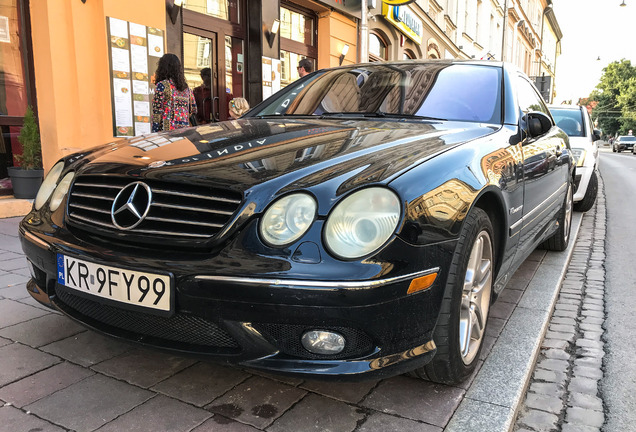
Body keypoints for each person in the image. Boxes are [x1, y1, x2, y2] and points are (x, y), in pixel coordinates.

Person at [151, 53, 196, 132]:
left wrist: (154, 132)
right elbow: (193, 109)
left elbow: (157, 112)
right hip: (184, 131)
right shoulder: (187, 89)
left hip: (167, 132)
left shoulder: (162, 86)